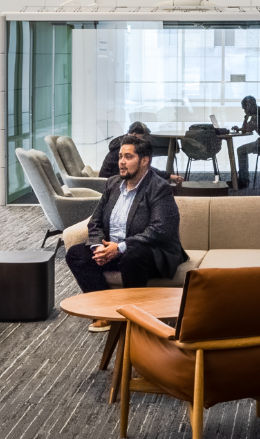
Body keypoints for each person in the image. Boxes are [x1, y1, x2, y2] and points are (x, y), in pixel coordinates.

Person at [65, 137, 184, 327]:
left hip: (150, 252)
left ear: (144, 160)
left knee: (132, 256)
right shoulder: (112, 184)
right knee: (76, 254)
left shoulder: (159, 188)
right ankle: (105, 311)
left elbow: (160, 230)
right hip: (114, 250)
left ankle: (133, 318)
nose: (121, 161)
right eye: (121, 156)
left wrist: (119, 248)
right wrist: (98, 247)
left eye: (128, 157)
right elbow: (95, 221)